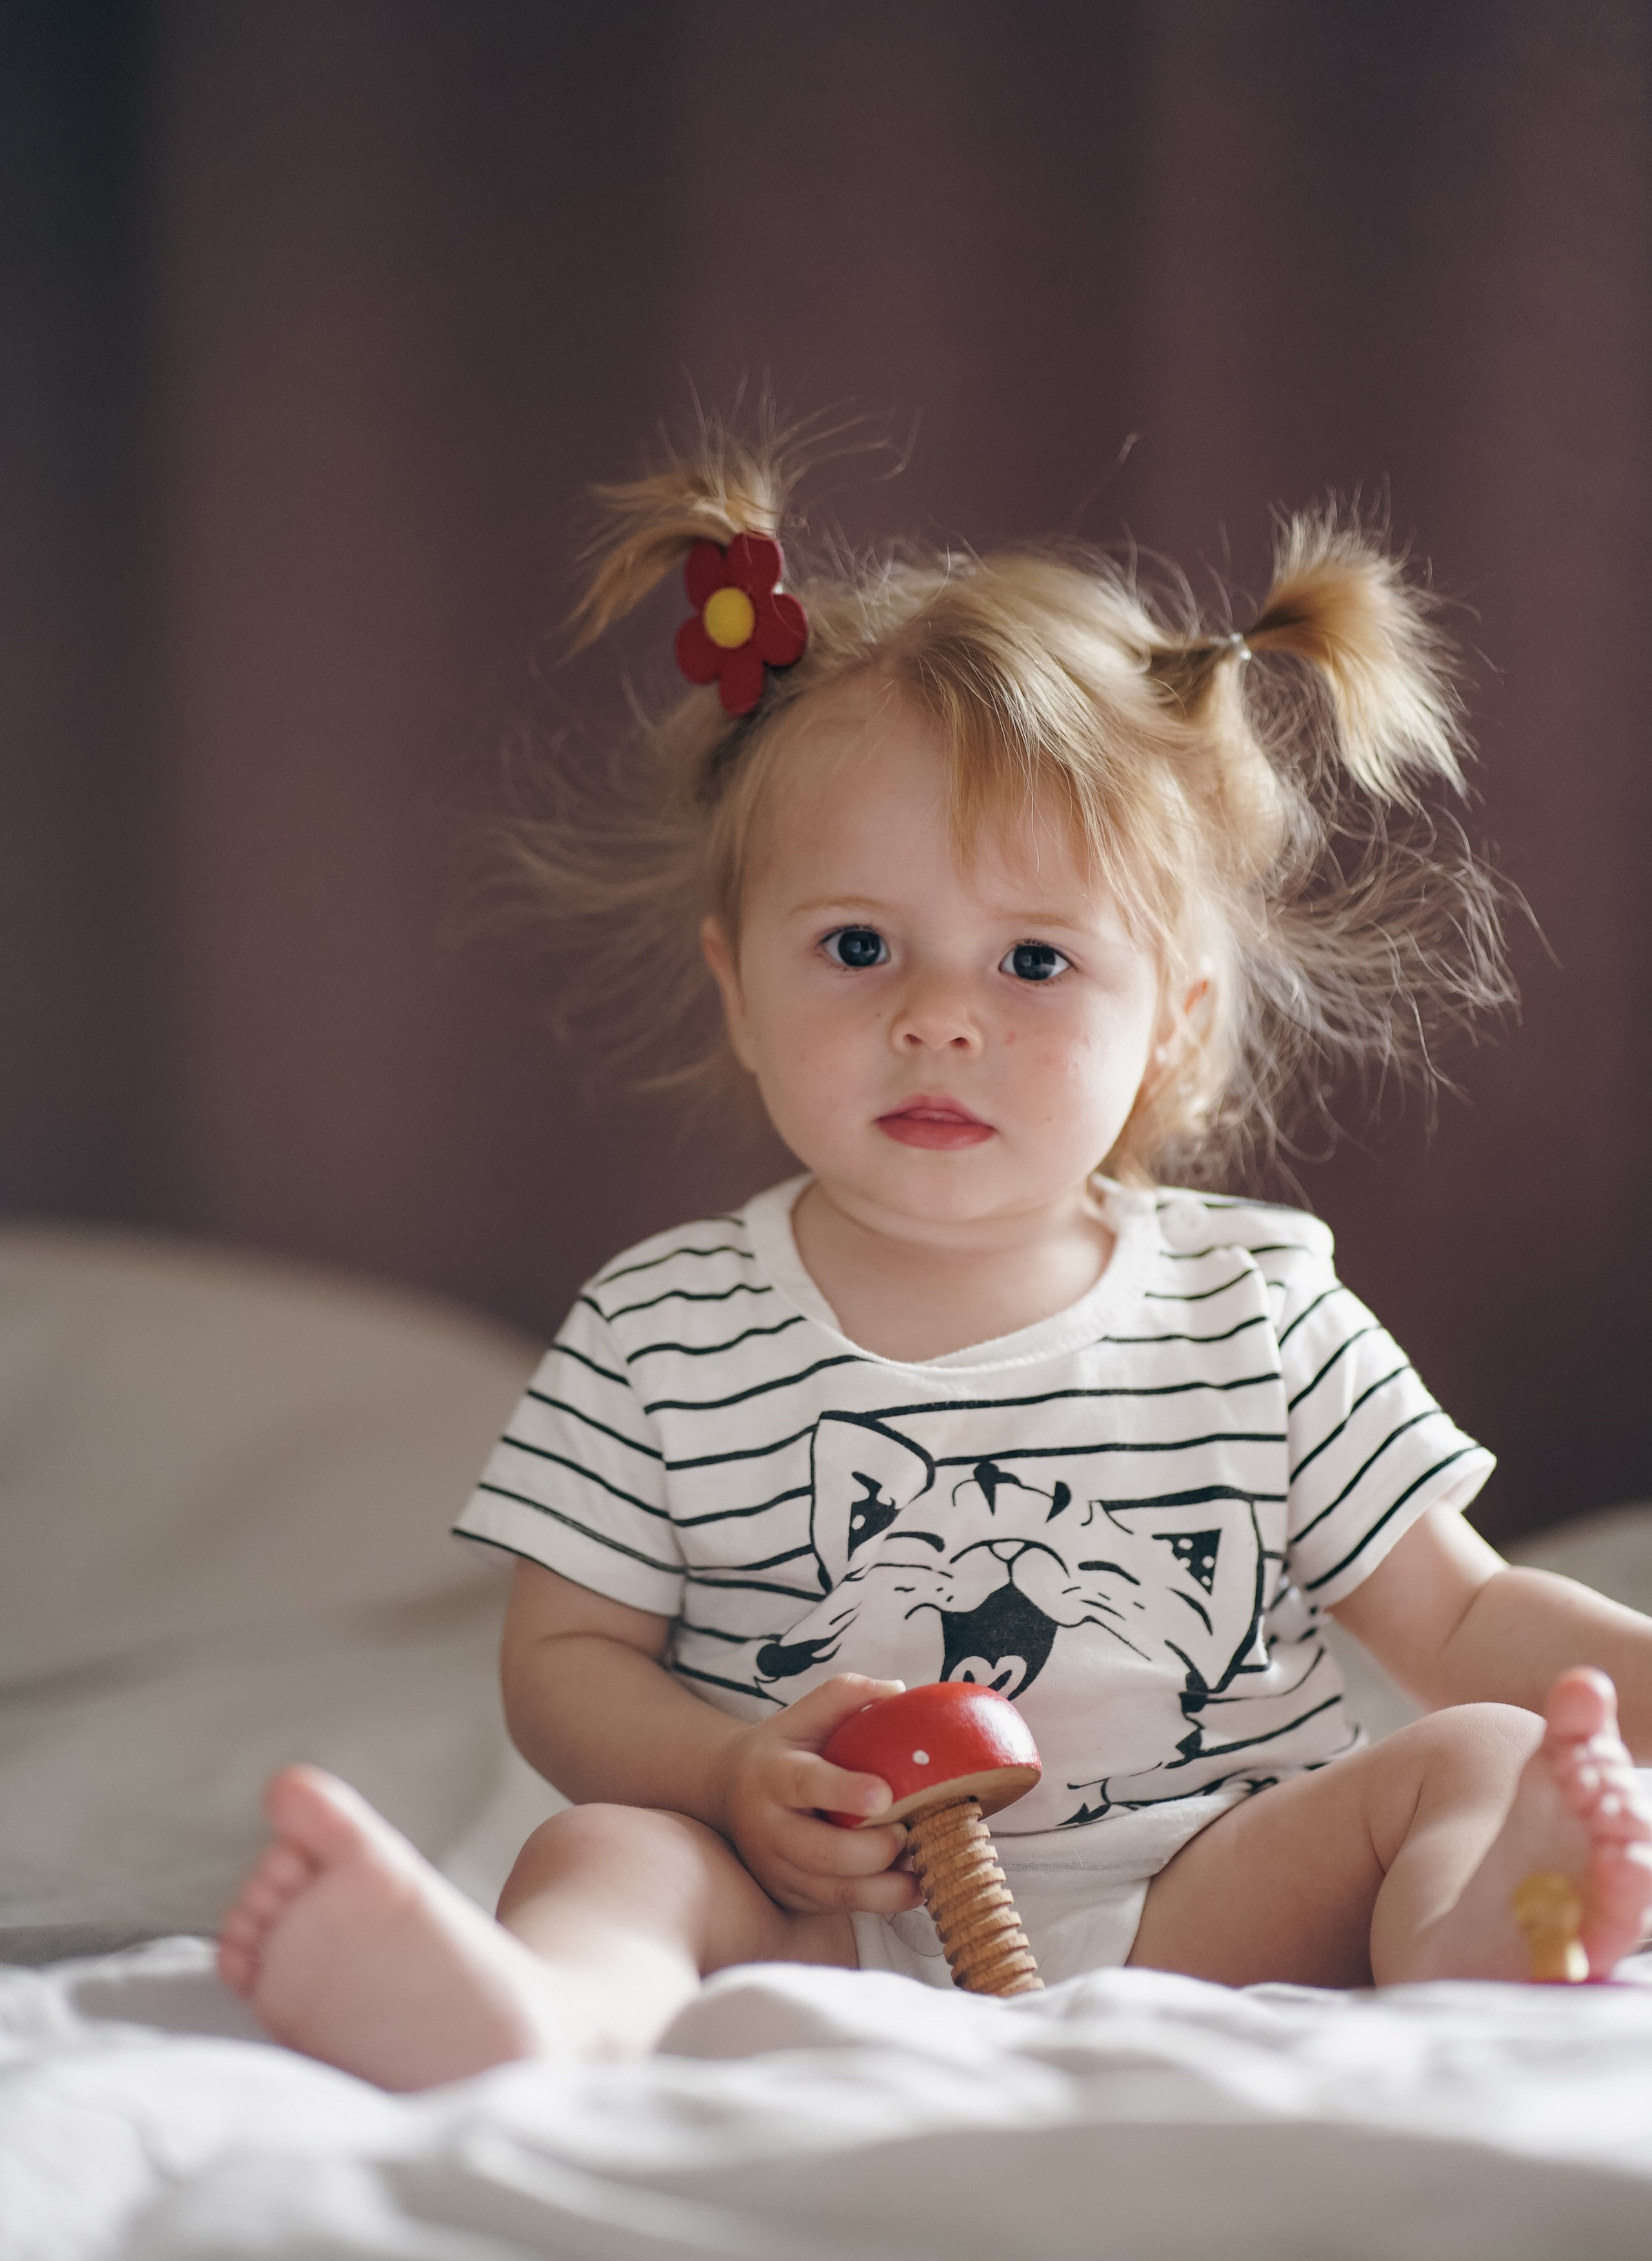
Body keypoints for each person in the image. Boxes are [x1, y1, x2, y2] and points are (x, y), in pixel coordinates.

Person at [218, 429, 1652, 2092]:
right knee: (600, 1855)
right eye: (855, 946)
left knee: (1466, 1755)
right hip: (819, 1911)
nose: (939, 1015)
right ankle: (540, 2018)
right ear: (737, 986)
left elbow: (1463, 1621)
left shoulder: (1251, 1306)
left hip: (1215, 1901)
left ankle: (1496, 1944)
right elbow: (563, 1663)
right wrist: (732, 1769)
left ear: (1172, 1019)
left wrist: (1612, 1685)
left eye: (1034, 959)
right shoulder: (664, 1329)